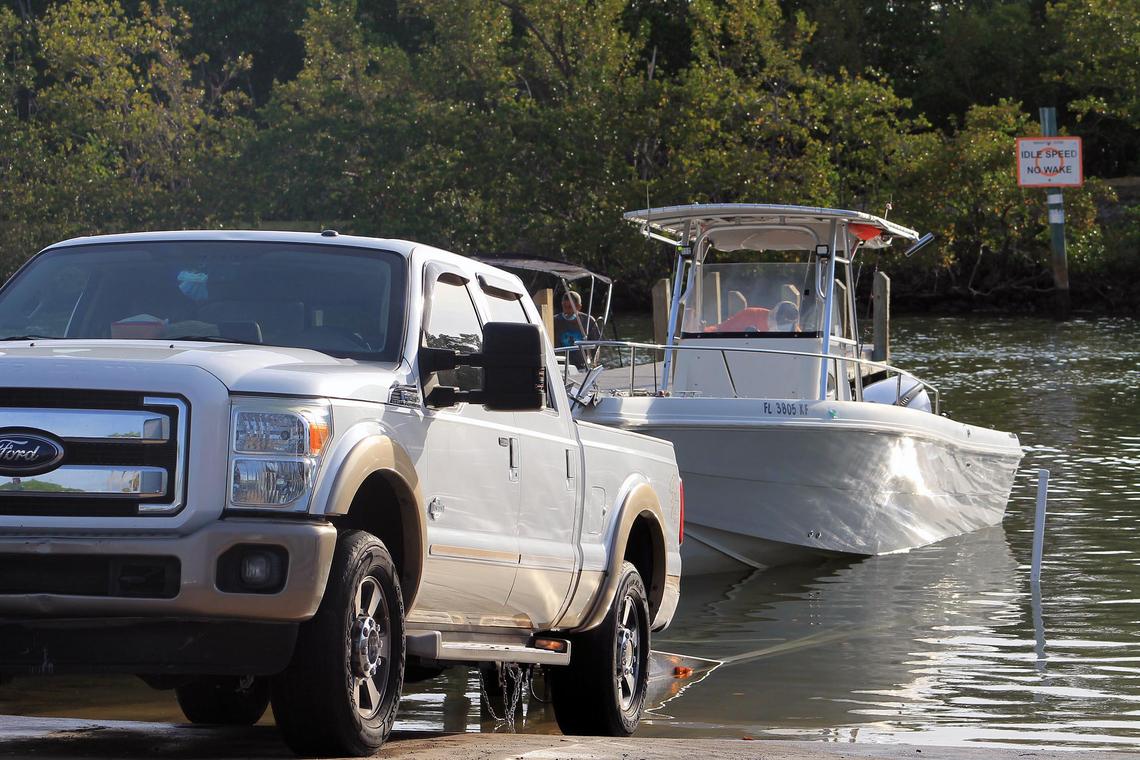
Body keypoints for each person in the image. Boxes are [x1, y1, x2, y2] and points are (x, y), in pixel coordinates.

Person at [553, 290, 601, 369]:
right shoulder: (554, 321)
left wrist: (594, 364)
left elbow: (597, 345)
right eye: (564, 307)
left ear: (579, 307)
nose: (567, 310)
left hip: (583, 365)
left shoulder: (588, 321)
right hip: (563, 365)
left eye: (570, 307)